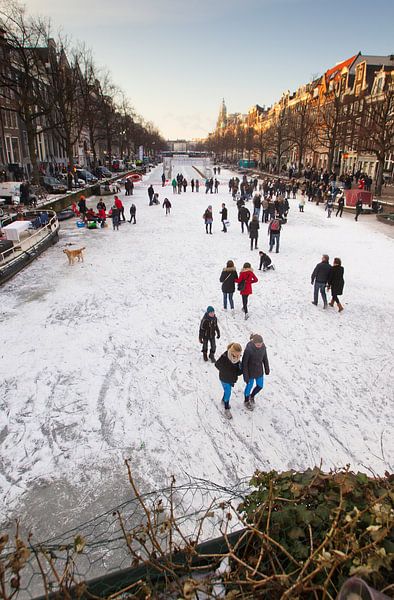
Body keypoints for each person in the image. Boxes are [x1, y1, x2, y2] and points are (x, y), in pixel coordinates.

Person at [242, 333, 270, 411]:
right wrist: (246, 376)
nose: (259, 346)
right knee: (249, 387)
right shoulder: (248, 350)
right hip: (250, 372)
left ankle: (252, 395)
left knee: (260, 386)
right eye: (258, 344)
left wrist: (267, 368)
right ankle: (246, 400)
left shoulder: (263, 347)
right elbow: (244, 363)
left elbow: (265, 358)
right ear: (254, 343)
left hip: (259, 371)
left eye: (260, 344)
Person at [215, 342, 243, 419]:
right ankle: (226, 408)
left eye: (239, 355)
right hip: (224, 378)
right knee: (228, 392)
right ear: (232, 351)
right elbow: (217, 364)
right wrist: (225, 370)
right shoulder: (225, 356)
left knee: (227, 391)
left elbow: (238, 372)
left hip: (231, 379)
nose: (237, 357)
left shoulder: (238, 361)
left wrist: (241, 370)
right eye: (236, 355)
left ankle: (224, 400)